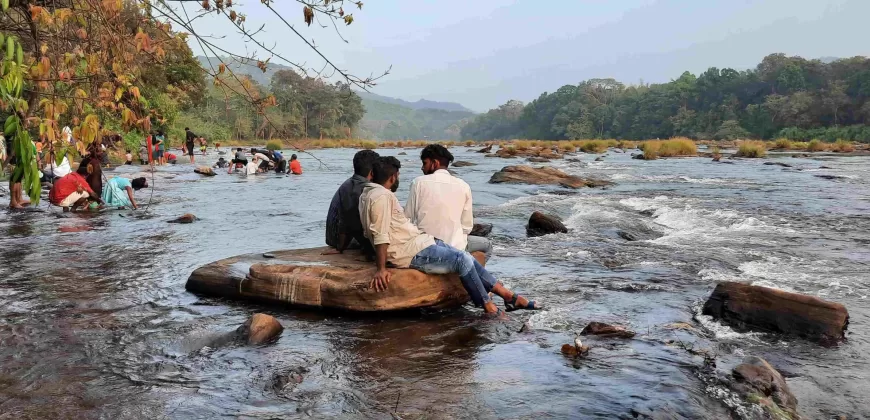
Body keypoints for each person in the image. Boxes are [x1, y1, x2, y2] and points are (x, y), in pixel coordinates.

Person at [359, 156, 542, 316]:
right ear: (393, 177)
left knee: (467, 257)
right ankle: (488, 306)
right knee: (463, 259)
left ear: (372, 175)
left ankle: (509, 296)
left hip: (419, 242)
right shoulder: (382, 197)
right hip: (409, 251)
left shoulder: (368, 194)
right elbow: (380, 234)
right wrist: (381, 269)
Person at [405, 144, 492, 261]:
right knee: (487, 245)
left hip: (425, 248)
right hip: (455, 247)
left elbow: (408, 219)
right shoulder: (464, 185)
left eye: (424, 163)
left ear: (434, 163)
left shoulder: (418, 183)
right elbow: (467, 227)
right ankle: (464, 273)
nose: (422, 168)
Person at [323, 150, 379, 255]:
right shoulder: (359, 188)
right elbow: (348, 221)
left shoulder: (352, 183)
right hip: (341, 239)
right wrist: (340, 248)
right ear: (372, 171)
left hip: (339, 236)